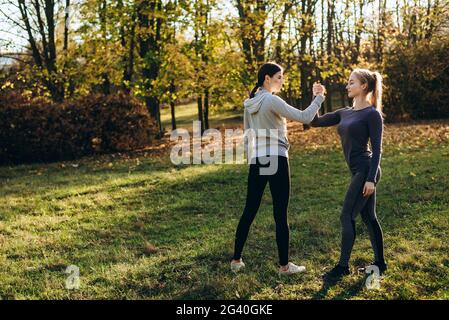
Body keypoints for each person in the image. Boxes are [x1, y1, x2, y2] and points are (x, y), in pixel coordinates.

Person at [231, 62, 326, 276]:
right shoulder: (272, 100)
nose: (282, 81)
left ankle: (236, 260)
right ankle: (284, 266)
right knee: (280, 213)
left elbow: (248, 137)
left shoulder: (250, 104)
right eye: (279, 77)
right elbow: (304, 117)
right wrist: (319, 98)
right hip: (276, 157)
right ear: (267, 78)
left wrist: (252, 161)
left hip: (257, 159)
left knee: (249, 210)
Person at [310, 68, 387, 279]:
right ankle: (380, 264)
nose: (347, 85)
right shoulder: (344, 112)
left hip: (366, 170)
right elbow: (313, 121)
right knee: (369, 217)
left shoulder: (372, 114)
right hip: (357, 171)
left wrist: (371, 179)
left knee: (346, 216)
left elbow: (378, 149)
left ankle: (342, 267)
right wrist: (317, 97)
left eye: (351, 82)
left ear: (363, 86)